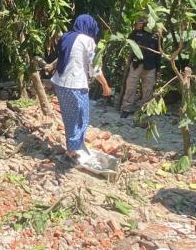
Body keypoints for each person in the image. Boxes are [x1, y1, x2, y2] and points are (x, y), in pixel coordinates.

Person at [52, 14, 112, 167]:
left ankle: (72, 147)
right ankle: (72, 152)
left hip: (60, 83)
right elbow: (95, 67)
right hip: (75, 84)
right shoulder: (88, 40)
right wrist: (105, 85)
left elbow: (62, 57)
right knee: (81, 118)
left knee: (69, 117)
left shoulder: (67, 36)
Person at [120, 17, 160, 118]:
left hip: (150, 66)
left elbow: (159, 54)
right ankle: (126, 108)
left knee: (148, 89)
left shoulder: (156, 35)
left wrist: (158, 70)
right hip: (136, 64)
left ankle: (145, 110)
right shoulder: (137, 32)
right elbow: (128, 40)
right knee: (131, 86)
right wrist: (136, 28)